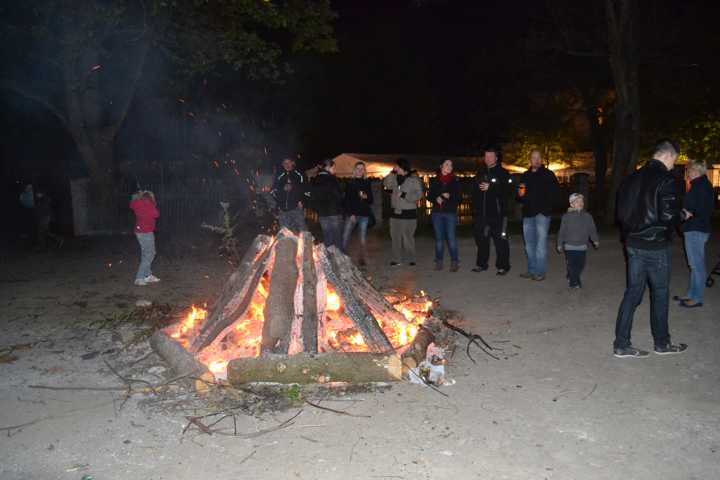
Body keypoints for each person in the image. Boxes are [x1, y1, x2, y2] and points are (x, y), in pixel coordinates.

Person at [614, 139, 688, 358]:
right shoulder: (666, 179)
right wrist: (682, 214)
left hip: (633, 244)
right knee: (660, 294)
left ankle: (621, 344)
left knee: (633, 293)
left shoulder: (631, 178)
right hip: (656, 246)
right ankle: (662, 343)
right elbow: (668, 216)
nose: (673, 165)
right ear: (668, 155)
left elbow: (621, 214)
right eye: (674, 160)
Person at [676, 159, 714, 308]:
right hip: (696, 228)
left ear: (696, 171)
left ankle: (697, 298)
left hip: (696, 229)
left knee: (697, 265)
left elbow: (697, 210)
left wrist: (685, 214)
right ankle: (691, 294)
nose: (687, 173)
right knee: (694, 265)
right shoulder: (701, 185)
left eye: (689, 170)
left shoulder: (700, 186)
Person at [517, 149, 561, 281]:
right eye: (533, 158)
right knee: (529, 245)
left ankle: (540, 272)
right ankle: (531, 270)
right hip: (528, 214)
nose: (536, 160)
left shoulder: (548, 174)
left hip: (542, 214)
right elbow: (520, 194)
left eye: (538, 158)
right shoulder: (525, 175)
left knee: (541, 245)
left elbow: (556, 193)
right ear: (530, 160)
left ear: (541, 159)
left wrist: (547, 206)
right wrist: (520, 194)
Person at [471, 147, 512, 275]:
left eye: (490, 156)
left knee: (501, 242)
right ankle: (481, 264)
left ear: (496, 158)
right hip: (482, 215)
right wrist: (475, 210)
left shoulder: (504, 173)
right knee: (482, 241)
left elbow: (508, 192)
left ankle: (503, 266)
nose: (487, 158)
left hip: (498, 215)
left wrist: (492, 187)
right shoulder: (480, 173)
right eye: (486, 156)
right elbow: (474, 192)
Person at [383, 158, 423, 266]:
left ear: (403, 167)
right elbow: (386, 184)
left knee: (408, 238)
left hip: (409, 213)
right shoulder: (394, 178)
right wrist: (392, 172)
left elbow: (419, 195)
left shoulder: (413, 180)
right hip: (395, 213)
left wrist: (405, 195)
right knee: (395, 237)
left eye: (397, 166)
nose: (396, 168)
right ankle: (397, 259)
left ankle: (411, 258)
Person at [556, 193, 599, 289]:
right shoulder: (566, 217)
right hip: (569, 246)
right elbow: (562, 231)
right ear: (571, 204)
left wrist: (595, 240)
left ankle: (571, 275)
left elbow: (592, 229)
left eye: (581, 201)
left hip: (582, 246)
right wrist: (559, 244)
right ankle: (574, 282)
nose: (580, 203)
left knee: (580, 265)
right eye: (577, 201)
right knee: (572, 265)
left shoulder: (587, 216)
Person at [428, 159, 461, 271]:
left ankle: (454, 262)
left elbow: (459, 198)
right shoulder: (435, 180)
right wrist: (435, 198)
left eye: (451, 165)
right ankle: (439, 262)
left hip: (450, 213)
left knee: (451, 238)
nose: (449, 166)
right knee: (439, 239)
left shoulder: (455, 180)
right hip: (437, 213)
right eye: (447, 164)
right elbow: (429, 196)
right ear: (441, 166)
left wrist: (450, 196)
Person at [342, 161, 374, 266]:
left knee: (362, 238)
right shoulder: (350, 183)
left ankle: (361, 259)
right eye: (358, 169)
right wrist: (351, 214)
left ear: (364, 171)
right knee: (345, 236)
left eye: (362, 169)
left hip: (364, 214)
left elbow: (371, 200)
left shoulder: (367, 183)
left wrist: (366, 197)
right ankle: (342, 257)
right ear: (355, 170)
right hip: (352, 214)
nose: (360, 171)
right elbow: (346, 201)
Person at [130, 190, 160, 286]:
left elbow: (134, 202)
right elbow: (156, 214)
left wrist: (138, 196)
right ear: (150, 197)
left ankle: (147, 275)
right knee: (150, 253)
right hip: (146, 232)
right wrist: (152, 204)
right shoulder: (148, 204)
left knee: (145, 254)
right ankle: (139, 277)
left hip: (139, 231)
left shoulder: (137, 203)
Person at [312, 159, 344, 249]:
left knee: (327, 236)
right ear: (328, 167)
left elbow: (313, 197)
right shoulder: (332, 178)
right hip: (334, 212)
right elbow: (339, 195)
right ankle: (338, 256)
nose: (335, 170)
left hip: (322, 213)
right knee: (337, 238)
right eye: (334, 167)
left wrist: (317, 210)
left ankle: (329, 256)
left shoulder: (315, 179)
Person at [270, 157, 307, 233]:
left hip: (296, 208)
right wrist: (283, 189)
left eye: (288, 162)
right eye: (285, 163)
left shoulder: (299, 174)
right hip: (283, 210)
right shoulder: (279, 176)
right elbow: (273, 191)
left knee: (302, 232)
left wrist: (302, 201)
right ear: (282, 164)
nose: (287, 165)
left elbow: (305, 189)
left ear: (292, 163)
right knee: (285, 233)